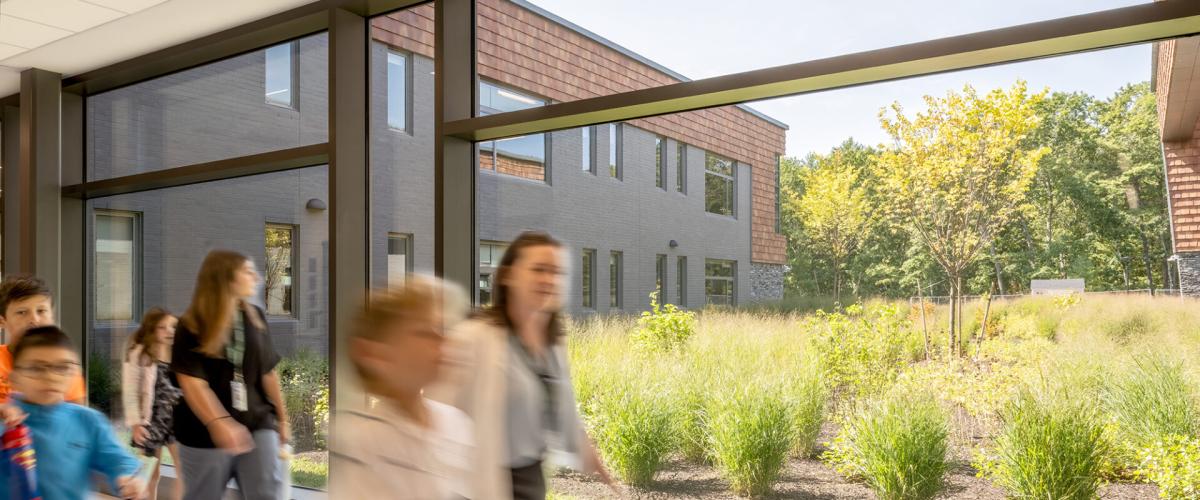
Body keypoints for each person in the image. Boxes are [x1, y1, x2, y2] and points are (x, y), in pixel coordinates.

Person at [431, 231, 613, 500]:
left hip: (531, 478)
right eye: (539, 269)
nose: (548, 279)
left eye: (556, 272)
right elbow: (437, 409)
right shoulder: (475, 337)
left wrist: (586, 451)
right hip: (479, 482)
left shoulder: (552, 340)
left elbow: (562, 404)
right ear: (508, 275)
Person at [331, 276, 473, 499]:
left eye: (440, 329)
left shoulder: (456, 424)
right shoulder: (364, 442)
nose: (442, 340)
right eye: (425, 332)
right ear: (377, 355)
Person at [172, 250, 289, 500]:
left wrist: (283, 418)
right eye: (248, 271)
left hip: (257, 421)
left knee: (267, 493)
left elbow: (268, 371)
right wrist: (220, 423)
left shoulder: (255, 316)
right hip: (203, 430)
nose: (256, 278)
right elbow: (193, 383)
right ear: (226, 278)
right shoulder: (190, 326)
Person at [0, 325, 144, 499]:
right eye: (36, 368)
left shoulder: (88, 420)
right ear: (15, 379)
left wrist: (128, 478)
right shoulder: (5, 421)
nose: (50, 377)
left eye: (62, 368)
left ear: (74, 375)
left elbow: (118, 458)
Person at [123, 307, 184, 500]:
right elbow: (130, 390)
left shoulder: (178, 353)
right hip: (151, 422)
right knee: (150, 473)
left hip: (176, 421)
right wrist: (135, 424)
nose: (170, 331)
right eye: (162, 327)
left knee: (184, 471)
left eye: (173, 327)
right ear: (151, 329)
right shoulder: (140, 353)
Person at [0, 275, 85, 405]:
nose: (34, 320)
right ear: (2, 321)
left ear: (52, 317)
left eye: (41, 311)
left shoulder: (64, 364)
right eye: (22, 312)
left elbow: (78, 417)